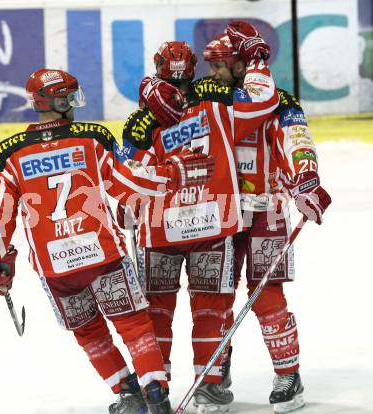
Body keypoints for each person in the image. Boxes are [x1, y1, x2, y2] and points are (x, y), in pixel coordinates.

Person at [0, 68, 215, 414]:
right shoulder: (92, 138)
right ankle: (156, 396)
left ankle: (128, 394)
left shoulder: (8, 153)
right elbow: (131, 183)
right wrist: (175, 173)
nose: (75, 103)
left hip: (55, 267)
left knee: (89, 333)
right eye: (70, 96)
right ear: (58, 100)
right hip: (103, 252)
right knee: (134, 324)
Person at [116, 21, 280, 414]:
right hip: (214, 219)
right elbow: (263, 104)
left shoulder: (141, 123)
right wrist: (256, 60)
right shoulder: (220, 100)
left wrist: (127, 206)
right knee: (211, 307)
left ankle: (156, 388)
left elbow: (131, 171)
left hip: (161, 229)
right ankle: (208, 387)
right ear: (194, 71)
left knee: (157, 308)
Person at [203, 27, 332, 413]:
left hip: (266, 209)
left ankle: (288, 375)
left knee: (267, 294)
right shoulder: (208, 98)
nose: (212, 73)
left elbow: (297, 140)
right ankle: (213, 373)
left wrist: (305, 180)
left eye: (220, 65)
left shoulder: (278, 101)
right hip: (216, 211)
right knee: (213, 296)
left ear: (242, 64)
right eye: (209, 65)